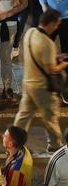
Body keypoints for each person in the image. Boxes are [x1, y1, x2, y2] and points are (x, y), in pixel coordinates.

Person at [16, 9, 68, 151]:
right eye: (56, 24)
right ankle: (55, 145)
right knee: (50, 117)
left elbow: (38, 57)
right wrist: (64, 64)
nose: (56, 27)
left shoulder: (30, 33)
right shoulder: (47, 44)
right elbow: (51, 70)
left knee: (23, 115)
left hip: (28, 82)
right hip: (42, 87)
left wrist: (57, 58)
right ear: (50, 23)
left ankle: (15, 141)